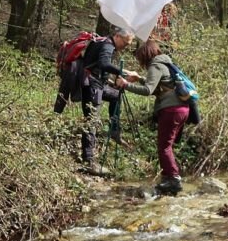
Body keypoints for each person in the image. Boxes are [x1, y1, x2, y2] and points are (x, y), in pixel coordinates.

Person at [125, 39, 189, 196]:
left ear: (146, 55)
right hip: (182, 108)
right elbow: (161, 86)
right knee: (167, 145)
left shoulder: (155, 64)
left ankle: (173, 179)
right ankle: (169, 177)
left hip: (171, 109)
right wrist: (139, 77)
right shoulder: (165, 62)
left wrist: (125, 85)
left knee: (164, 146)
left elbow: (148, 90)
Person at [80, 27, 136, 175]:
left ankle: (114, 131)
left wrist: (110, 81)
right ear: (117, 36)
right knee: (91, 120)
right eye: (126, 43)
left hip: (98, 84)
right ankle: (89, 160)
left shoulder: (101, 42)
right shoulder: (107, 45)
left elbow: (95, 65)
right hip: (92, 87)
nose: (125, 47)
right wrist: (123, 72)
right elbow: (104, 63)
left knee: (116, 96)